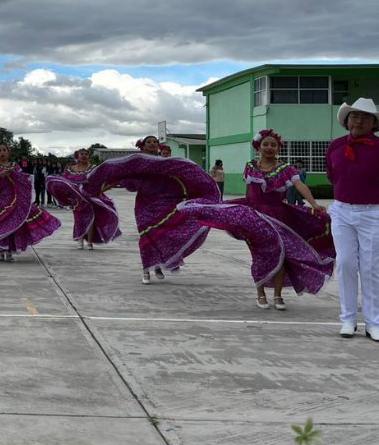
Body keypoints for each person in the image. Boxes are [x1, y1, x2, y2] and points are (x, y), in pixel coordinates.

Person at [83, 135, 221, 284]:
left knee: (164, 235)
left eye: (155, 142)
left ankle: (158, 265)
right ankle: (146, 270)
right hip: (145, 205)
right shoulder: (136, 164)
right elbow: (121, 177)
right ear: (142, 146)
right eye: (149, 142)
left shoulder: (167, 164)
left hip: (166, 204)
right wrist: (97, 189)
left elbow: (186, 173)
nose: (153, 144)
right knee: (146, 237)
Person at [228, 130, 332, 310]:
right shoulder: (250, 166)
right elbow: (249, 192)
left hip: (279, 217)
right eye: (266, 144)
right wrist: (245, 211)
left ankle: (277, 295)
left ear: (278, 148)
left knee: (281, 255)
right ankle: (260, 294)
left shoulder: (285, 168)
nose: (269, 148)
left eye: (273, 145)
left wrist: (314, 204)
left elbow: (300, 185)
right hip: (255, 217)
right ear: (258, 147)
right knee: (258, 255)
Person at [326, 98, 379, 340]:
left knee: (371, 268)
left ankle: (373, 322)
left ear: (373, 123)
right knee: (346, 263)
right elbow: (332, 176)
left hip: (373, 212)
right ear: (347, 120)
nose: (359, 120)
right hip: (342, 210)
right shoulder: (335, 146)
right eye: (355, 116)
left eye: (365, 117)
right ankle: (348, 319)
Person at [0, 143, 61, 261]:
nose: (2, 152)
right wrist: (2, 174)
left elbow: (23, 179)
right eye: (0, 151)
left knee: (13, 223)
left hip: (14, 199)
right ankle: (1, 251)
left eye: (4, 150)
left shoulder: (15, 166)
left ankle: (9, 251)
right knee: (0, 224)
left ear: (9, 153)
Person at [46, 148, 121, 250]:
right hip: (77, 199)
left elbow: (105, 180)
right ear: (78, 156)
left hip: (91, 198)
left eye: (86, 154)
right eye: (82, 154)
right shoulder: (70, 169)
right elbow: (66, 182)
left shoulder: (94, 168)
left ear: (89, 156)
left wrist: (101, 190)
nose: (84, 156)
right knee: (79, 219)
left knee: (91, 219)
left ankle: (89, 242)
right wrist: (66, 195)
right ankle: (80, 240)